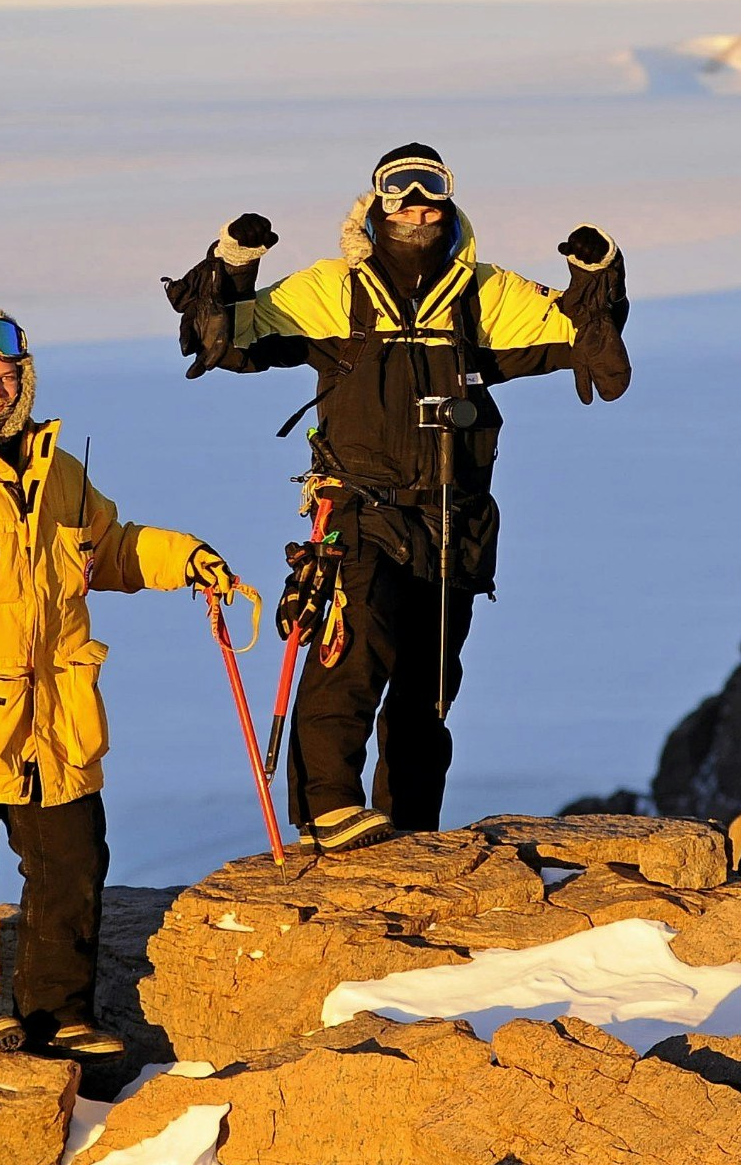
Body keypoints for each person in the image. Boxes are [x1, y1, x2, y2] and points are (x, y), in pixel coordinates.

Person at [168, 144, 631, 854]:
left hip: (454, 511)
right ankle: (328, 806)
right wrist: (234, 265)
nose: (417, 204)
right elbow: (230, 336)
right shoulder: (334, 288)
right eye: (400, 190)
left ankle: (411, 828)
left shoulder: (481, 292)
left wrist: (596, 273)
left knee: (429, 682)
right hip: (358, 503)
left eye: (431, 190)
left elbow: (576, 331)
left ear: (447, 201)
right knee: (349, 652)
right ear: (377, 202)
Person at [0, 309, 236, 1065]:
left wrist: (181, 557)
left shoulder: (56, 470)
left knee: (73, 862)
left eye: (8, 375)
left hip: (56, 715)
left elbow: (106, 548)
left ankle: (59, 1016)